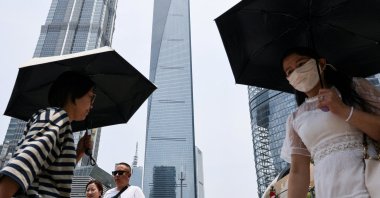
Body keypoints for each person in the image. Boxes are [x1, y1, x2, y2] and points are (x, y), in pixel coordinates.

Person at [280, 47, 380, 197]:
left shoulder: (354, 88)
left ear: (321, 63)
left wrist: (343, 110)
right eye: (289, 72)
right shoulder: (295, 118)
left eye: (301, 64)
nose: (296, 73)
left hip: (368, 184)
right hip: (328, 190)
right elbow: (298, 171)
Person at [0, 71, 95, 197]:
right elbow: (26, 161)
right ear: (74, 94)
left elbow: (51, 173)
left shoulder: (61, 123)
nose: (92, 105)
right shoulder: (57, 117)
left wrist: (78, 153)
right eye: (91, 97)